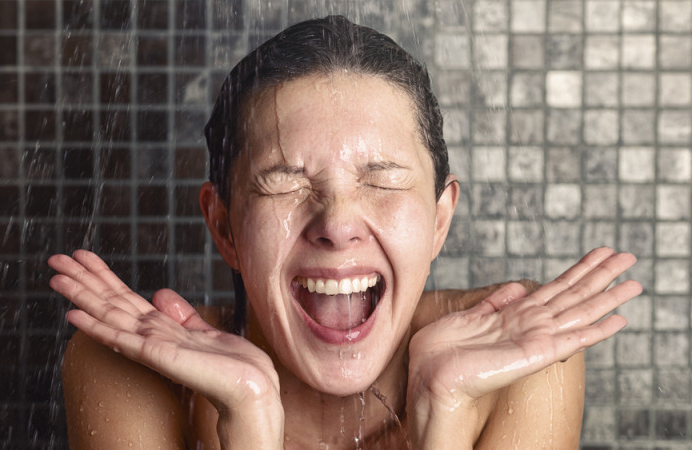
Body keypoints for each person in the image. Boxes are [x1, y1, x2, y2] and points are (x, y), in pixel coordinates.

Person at [49, 16, 641, 449]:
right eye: (284, 182)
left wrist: (447, 407)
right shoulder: (133, 365)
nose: (335, 224)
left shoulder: (522, 356)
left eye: (381, 181)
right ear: (224, 226)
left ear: (439, 220)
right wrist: (249, 419)